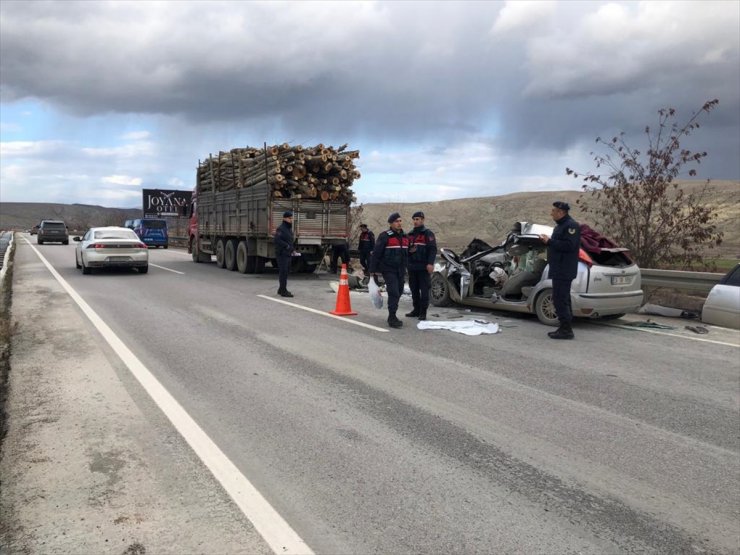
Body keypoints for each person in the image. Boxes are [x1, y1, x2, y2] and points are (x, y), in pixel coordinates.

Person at [539, 201, 580, 339]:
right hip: (558, 268)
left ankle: (566, 329)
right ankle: (565, 326)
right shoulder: (560, 226)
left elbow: (569, 245)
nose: (551, 213)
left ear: (561, 212)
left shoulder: (570, 226)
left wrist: (549, 242)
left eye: (554, 211)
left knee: (560, 298)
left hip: (564, 269)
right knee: (562, 298)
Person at [370, 212, 409, 328]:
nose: (399, 223)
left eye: (400, 221)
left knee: (399, 291)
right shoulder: (385, 236)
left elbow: (407, 254)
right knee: (393, 292)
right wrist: (372, 271)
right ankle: (392, 317)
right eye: (396, 221)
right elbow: (376, 254)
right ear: (391, 224)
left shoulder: (405, 237)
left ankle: (393, 314)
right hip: (388, 269)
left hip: (401, 270)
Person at [405, 211, 437, 320]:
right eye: (414, 219)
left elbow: (432, 249)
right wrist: (410, 251)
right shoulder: (410, 234)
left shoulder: (428, 233)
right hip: (412, 267)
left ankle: (423, 312)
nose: (415, 221)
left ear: (423, 220)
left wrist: (430, 263)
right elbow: (406, 251)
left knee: (424, 291)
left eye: (417, 219)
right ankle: (416, 310)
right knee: (413, 290)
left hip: (423, 267)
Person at [274, 211, 297, 297]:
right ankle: (283, 291)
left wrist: (292, 249)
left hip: (288, 253)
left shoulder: (288, 229)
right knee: (283, 272)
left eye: (291, 218)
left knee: (286, 271)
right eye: (289, 218)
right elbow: (277, 240)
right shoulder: (281, 228)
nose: (291, 220)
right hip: (282, 253)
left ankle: (281, 289)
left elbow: (289, 241)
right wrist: (287, 246)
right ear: (284, 218)